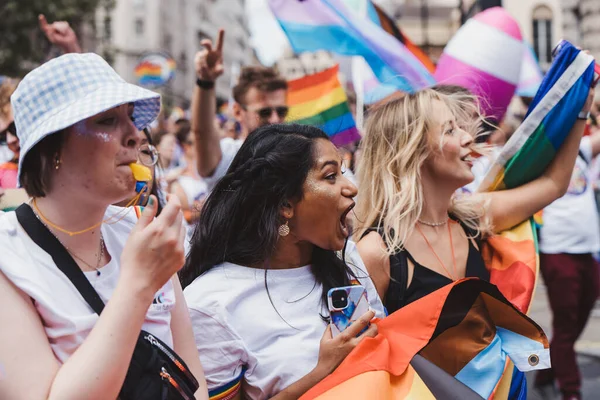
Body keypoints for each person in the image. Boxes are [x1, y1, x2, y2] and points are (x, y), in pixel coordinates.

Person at [0, 53, 207, 399]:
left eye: (131, 117)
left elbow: (191, 380)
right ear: (52, 148)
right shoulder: (9, 256)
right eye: (108, 120)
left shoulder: (141, 230)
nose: (135, 135)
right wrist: (137, 285)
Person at [181, 124, 385, 400]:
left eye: (344, 172)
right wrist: (322, 372)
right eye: (330, 176)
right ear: (285, 205)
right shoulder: (210, 304)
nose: (350, 188)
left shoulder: (346, 259)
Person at [355, 86, 594, 315]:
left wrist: (580, 109)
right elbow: (363, 350)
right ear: (413, 151)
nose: (468, 138)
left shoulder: (471, 217)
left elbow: (553, 184)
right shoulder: (376, 252)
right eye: (450, 130)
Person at [534, 127, 600, 400]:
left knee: (577, 322)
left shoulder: (581, 151)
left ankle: (545, 374)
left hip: (589, 251)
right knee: (565, 323)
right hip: (557, 251)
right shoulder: (536, 159)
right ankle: (571, 391)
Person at [192, 29, 288, 191]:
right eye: (264, 112)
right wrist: (206, 82)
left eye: (281, 111)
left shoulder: (297, 156)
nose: (274, 119)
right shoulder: (229, 155)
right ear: (237, 112)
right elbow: (202, 133)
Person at [171, 129, 208, 223]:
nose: (203, 146)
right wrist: (207, 209)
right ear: (186, 147)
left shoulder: (208, 172)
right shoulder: (176, 178)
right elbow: (181, 216)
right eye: (198, 142)